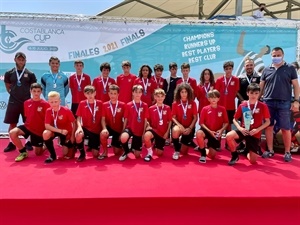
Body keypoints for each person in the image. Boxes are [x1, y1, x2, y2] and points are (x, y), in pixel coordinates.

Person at [260, 47, 299, 162]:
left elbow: (296, 86)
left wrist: (296, 101)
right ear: (271, 56)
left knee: (286, 128)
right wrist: (256, 102)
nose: (276, 57)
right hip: (268, 102)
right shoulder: (266, 70)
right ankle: (270, 150)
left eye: (278, 55)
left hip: (284, 103)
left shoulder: (290, 68)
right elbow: (261, 87)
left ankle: (287, 152)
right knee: (269, 126)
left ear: (283, 55)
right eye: (274, 55)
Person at [226, 83, 270, 165]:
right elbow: (234, 119)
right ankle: (235, 155)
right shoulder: (243, 105)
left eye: (256, 93)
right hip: (244, 131)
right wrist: (240, 128)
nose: (254, 95)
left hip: (255, 134)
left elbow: (268, 122)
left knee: (253, 161)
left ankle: (245, 152)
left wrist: (258, 130)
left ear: (259, 94)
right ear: (247, 93)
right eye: (251, 93)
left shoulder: (263, 106)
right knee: (229, 136)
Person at [3, 52, 37, 152]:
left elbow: (34, 87)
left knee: (28, 122)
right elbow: (7, 85)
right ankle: (11, 143)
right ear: (15, 60)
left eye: (23, 59)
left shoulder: (30, 74)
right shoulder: (9, 72)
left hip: (27, 102)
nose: (21, 61)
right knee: (12, 123)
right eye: (19, 59)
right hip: (13, 101)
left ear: (25, 61)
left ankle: (28, 142)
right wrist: (12, 93)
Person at [10, 83, 50, 162]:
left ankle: (46, 145)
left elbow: (48, 119)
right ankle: (23, 152)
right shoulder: (26, 103)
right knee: (12, 133)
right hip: (27, 127)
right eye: (34, 91)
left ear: (41, 92)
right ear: (30, 91)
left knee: (38, 153)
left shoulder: (46, 104)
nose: (36, 93)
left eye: (38, 91)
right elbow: (27, 116)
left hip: (38, 131)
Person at [196, 89, 228, 163]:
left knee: (212, 156)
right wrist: (209, 131)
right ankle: (203, 154)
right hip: (207, 130)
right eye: (211, 97)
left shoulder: (222, 109)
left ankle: (202, 148)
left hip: (216, 133)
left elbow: (226, 122)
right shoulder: (205, 109)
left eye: (215, 97)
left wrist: (221, 130)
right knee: (199, 133)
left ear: (218, 98)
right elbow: (201, 123)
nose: (213, 99)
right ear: (208, 99)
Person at [43, 91, 75, 163]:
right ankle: (52, 155)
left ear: (60, 101)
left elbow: (74, 123)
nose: (54, 104)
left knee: (66, 154)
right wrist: (60, 131)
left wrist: (72, 136)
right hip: (57, 131)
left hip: (66, 132)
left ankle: (72, 146)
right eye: (51, 102)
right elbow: (47, 126)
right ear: (48, 102)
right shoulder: (48, 111)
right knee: (46, 133)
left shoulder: (66, 110)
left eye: (55, 101)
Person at [236, 57, 261, 151]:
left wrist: (256, 101)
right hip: (244, 105)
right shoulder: (240, 77)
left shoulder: (259, 76)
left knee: (255, 124)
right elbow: (236, 92)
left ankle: (256, 144)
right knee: (244, 125)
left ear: (254, 65)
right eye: (247, 65)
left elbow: (262, 89)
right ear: (244, 66)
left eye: (251, 65)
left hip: (255, 105)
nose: (249, 67)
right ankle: (243, 143)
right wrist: (243, 101)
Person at [119, 85, 149, 161]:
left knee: (137, 155)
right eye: (136, 92)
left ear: (142, 93)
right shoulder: (128, 105)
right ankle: (126, 151)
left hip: (139, 131)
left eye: (139, 92)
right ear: (132, 93)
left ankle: (132, 148)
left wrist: (143, 133)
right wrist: (123, 131)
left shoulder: (145, 105)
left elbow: (145, 120)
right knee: (123, 138)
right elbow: (125, 119)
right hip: (130, 128)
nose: (137, 94)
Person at [74, 85, 102, 161]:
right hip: (86, 128)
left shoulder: (100, 103)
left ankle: (92, 144)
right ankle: (82, 154)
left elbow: (103, 118)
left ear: (95, 93)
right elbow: (78, 118)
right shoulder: (82, 103)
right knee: (78, 134)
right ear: (85, 94)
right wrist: (79, 127)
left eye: (91, 93)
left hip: (96, 131)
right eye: (88, 93)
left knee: (95, 155)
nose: (90, 95)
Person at [144, 88, 172, 162]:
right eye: (158, 96)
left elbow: (170, 121)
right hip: (154, 130)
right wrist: (148, 125)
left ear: (164, 97)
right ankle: (149, 152)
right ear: (155, 97)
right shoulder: (151, 108)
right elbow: (147, 121)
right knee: (146, 136)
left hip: (162, 133)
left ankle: (155, 144)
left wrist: (167, 133)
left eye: (161, 96)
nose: (160, 98)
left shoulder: (167, 108)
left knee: (159, 153)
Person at [171, 83, 197, 160]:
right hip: (180, 126)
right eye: (182, 92)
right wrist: (180, 126)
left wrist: (190, 128)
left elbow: (195, 118)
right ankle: (176, 151)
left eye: (185, 92)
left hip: (189, 127)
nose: (184, 94)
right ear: (179, 93)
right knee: (175, 130)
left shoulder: (193, 103)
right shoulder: (175, 103)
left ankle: (181, 143)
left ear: (188, 92)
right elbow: (173, 117)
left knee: (184, 152)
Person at [100, 84, 125, 159]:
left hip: (118, 130)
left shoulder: (123, 105)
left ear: (118, 94)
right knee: (102, 134)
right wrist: (104, 128)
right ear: (108, 94)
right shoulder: (104, 105)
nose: (113, 95)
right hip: (109, 128)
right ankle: (105, 151)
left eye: (115, 93)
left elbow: (125, 120)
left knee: (117, 153)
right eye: (111, 93)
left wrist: (123, 132)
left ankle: (122, 146)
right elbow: (103, 119)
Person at [215, 61, 239, 133]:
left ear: (232, 69)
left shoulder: (236, 79)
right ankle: (218, 139)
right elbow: (216, 93)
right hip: (221, 105)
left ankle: (227, 142)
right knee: (219, 123)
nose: (228, 70)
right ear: (224, 70)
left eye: (230, 68)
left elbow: (236, 92)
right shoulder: (219, 80)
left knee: (228, 123)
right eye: (226, 69)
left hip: (230, 106)